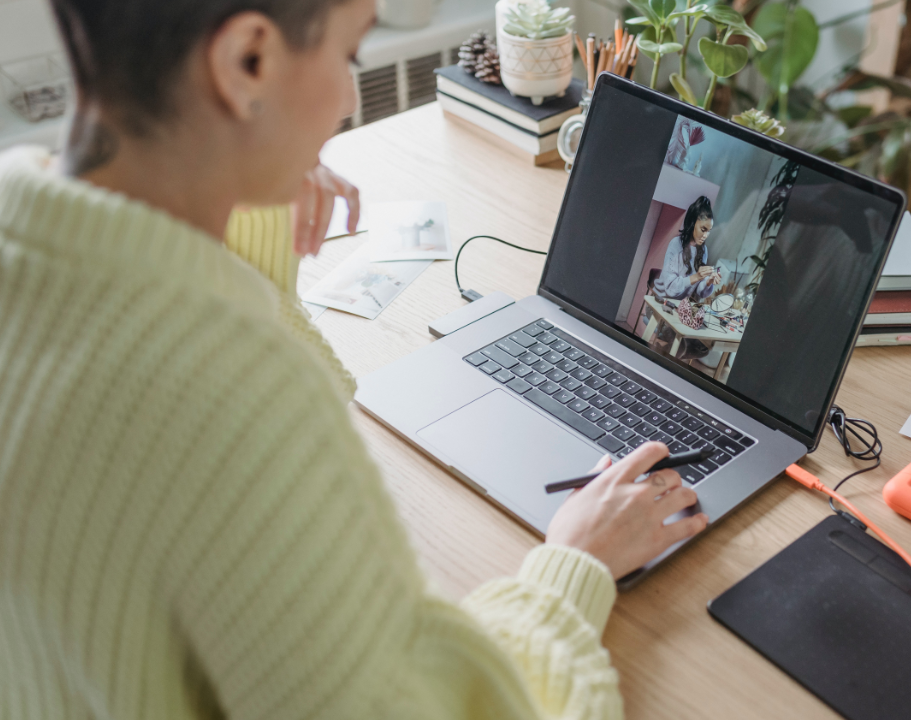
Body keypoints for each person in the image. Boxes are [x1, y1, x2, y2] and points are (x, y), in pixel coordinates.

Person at [0, 1, 707, 719]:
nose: (344, 97)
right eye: (349, 54)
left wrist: (241, 183)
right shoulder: (238, 393)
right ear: (248, 61)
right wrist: (572, 569)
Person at [650, 195, 719, 361]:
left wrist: (708, 281)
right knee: (680, 344)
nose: (706, 235)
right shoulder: (676, 245)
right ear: (692, 223)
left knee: (703, 348)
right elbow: (670, 287)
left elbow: (701, 292)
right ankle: (661, 361)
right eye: (703, 229)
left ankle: (664, 356)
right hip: (662, 303)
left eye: (709, 231)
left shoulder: (704, 251)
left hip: (680, 309)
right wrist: (695, 277)